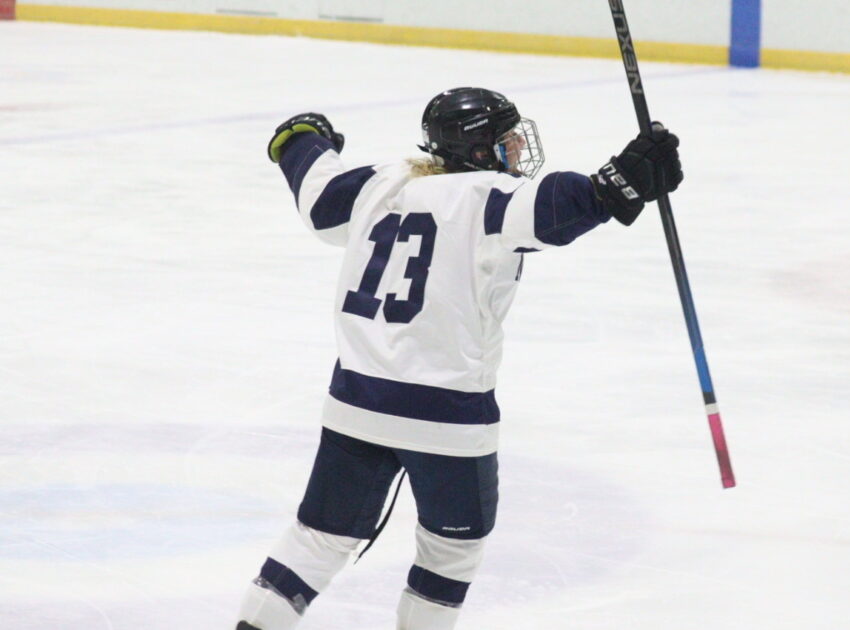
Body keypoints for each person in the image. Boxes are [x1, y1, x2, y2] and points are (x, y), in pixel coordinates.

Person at [235, 87, 683, 630]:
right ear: (477, 149)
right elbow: (562, 207)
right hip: (447, 418)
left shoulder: (380, 184)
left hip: (356, 404)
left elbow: (318, 191)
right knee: (449, 555)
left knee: (320, 538)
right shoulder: (488, 198)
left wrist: (301, 137)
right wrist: (622, 180)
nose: (517, 151)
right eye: (507, 140)